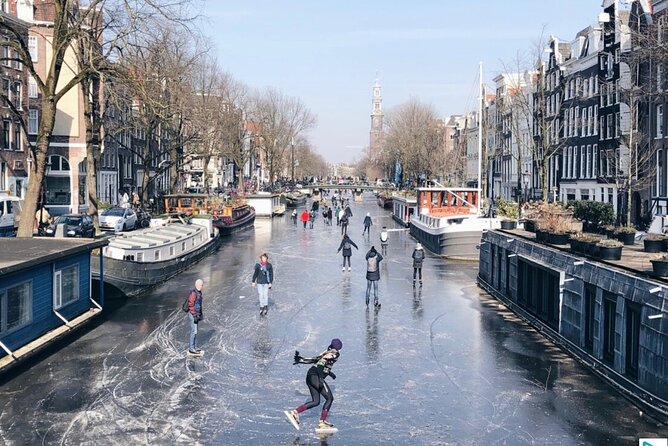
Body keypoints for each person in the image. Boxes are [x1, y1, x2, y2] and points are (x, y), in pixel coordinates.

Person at [284, 338, 343, 432]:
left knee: (316, 401)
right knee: (330, 398)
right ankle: (322, 423)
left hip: (310, 377)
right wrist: (320, 378)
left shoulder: (327, 352)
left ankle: (294, 413)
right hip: (316, 377)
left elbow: (315, 360)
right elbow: (320, 365)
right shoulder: (332, 354)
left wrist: (301, 360)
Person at [186, 279, 204, 356]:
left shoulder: (198, 292)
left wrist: (199, 314)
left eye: (202, 285)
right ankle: (191, 348)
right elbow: (191, 304)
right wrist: (194, 314)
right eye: (201, 285)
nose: (202, 286)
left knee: (195, 331)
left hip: (196, 314)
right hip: (193, 314)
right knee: (194, 331)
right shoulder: (194, 293)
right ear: (197, 285)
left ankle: (194, 346)